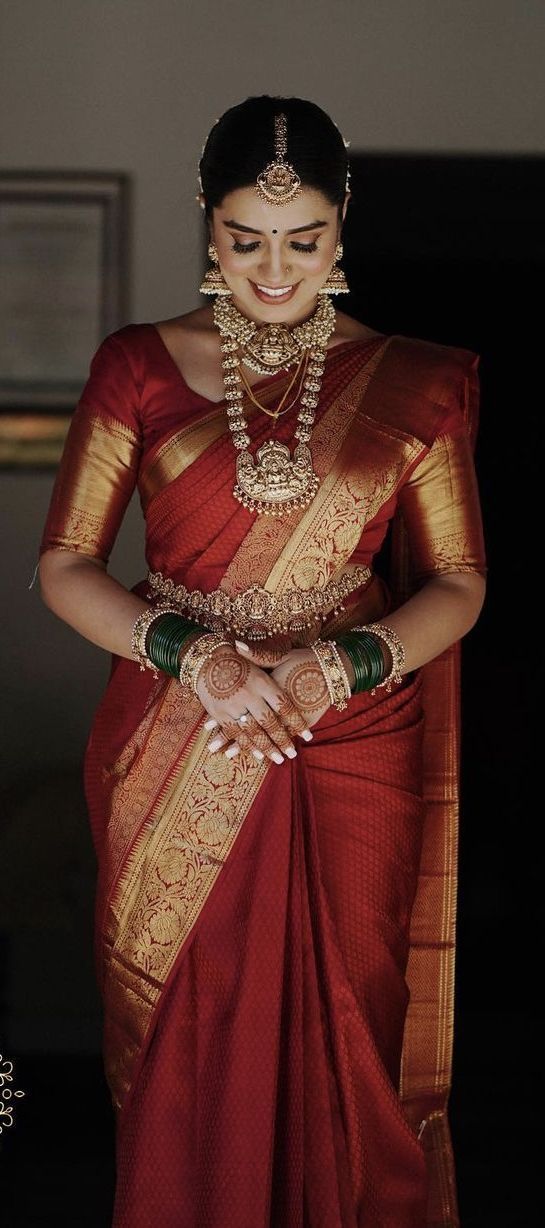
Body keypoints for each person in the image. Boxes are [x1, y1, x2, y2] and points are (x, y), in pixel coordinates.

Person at [36, 95, 487, 1228]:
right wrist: (200, 660)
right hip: (175, 729)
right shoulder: (136, 366)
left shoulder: (419, 381)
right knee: (193, 1029)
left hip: (352, 742)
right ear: (207, 222)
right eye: (245, 240)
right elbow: (63, 565)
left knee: (350, 1021)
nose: (273, 270)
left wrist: (342, 665)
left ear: (342, 228)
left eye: (303, 240)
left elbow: (461, 583)